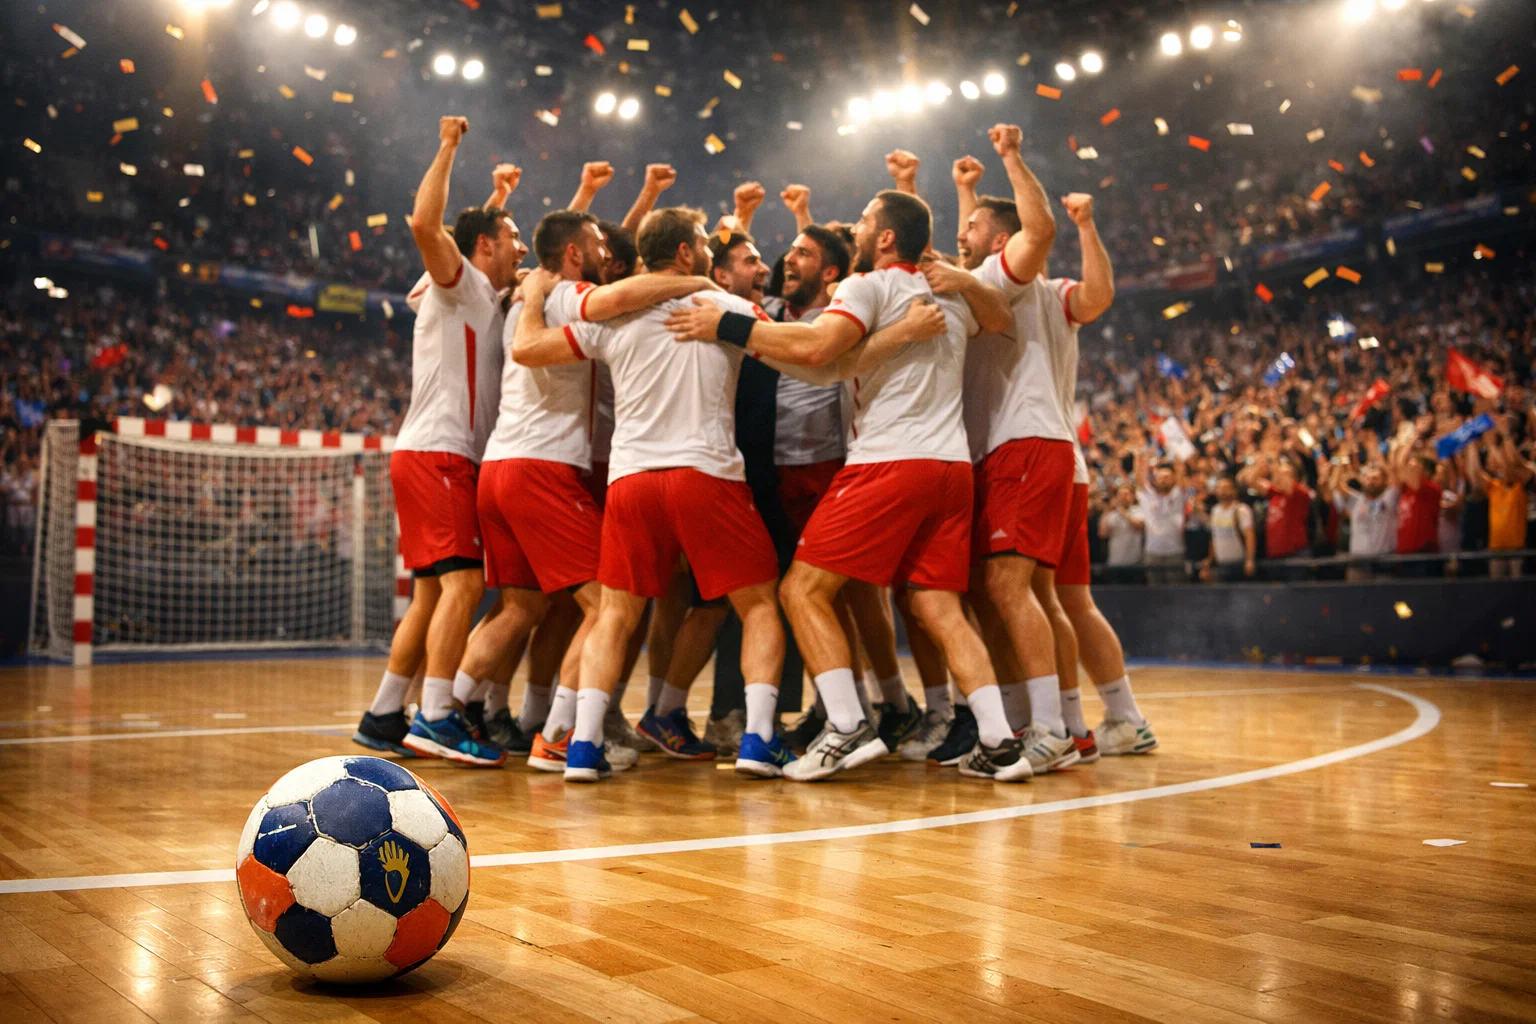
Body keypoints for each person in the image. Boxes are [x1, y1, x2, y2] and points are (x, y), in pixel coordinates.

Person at [520, 206, 933, 779]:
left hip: (632, 479)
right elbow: (816, 364)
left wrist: (533, 295)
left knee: (615, 613)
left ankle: (582, 746)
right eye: (704, 247)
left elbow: (530, 349)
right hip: (705, 474)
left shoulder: (617, 317)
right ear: (687, 253)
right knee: (760, 602)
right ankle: (759, 739)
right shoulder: (730, 310)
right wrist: (890, 341)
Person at [667, 186, 1022, 782]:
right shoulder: (947, 293)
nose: (854, 228)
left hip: (888, 459)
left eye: (863, 221)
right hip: (951, 467)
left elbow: (820, 347)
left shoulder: (867, 285)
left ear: (885, 237)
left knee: (801, 592)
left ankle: (848, 725)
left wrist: (726, 324)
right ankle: (999, 739)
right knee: (937, 605)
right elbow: (998, 319)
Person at [455, 208, 721, 775]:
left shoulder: (524, 299)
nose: (608, 254)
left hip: (501, 465)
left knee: (521, 605)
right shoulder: (566, 291)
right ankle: (558, 734)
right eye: (597, 243)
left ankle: (445, 710)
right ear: (575, 254)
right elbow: (616, 297)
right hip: (542, 467)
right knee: (607, 607)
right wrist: (697, 281)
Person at [352, 116, 523, 766]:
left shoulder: (457, 288)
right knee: (464, 584)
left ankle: (384, 712)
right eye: (513, 240)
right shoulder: (463, 283)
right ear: (482, 248)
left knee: (432, 591)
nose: (521, 252)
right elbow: (427, 225)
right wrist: (448, 144)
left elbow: (466, 243)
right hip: (444, 453)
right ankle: (438, 715)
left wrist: (498, 200)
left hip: (424, 450)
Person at [942, 124, 1086, 774]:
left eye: (971, 227)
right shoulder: (979, 276)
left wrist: (1010, 158)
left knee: (1006, 585)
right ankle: (1032, 723)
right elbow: (968, 252)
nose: (959, 236)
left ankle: (1051, 730)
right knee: (993, 591)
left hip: (1024, 441)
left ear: (998, 241)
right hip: (1001, 449)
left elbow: (1041, 231)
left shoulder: (1010, 272)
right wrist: (965, 192)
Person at [1465, 420, 1531, 577]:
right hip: (1495, 549)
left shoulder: (1520, 488)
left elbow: (1509, 466)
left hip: (1516, 550)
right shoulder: (1494, 487)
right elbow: (1475, 475)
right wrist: (1471, 444)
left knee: (1519, 590)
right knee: (1495, 590)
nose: (1500, 467)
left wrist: (1494, 445)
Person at [1318, 453, 1398, 581]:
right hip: (1358, 564)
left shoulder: (1390, 499)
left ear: (1384, 481)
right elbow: (1336, 487)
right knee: (1356, 599)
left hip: (1384, 563)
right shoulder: (1356, 501)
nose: (1370, 481)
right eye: (1367, 478)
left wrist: (1380, 458)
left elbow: (1396, 480)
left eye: (1375, 478)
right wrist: (1339, 463)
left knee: (1385, 599)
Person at [1137, 456, 1187, 585]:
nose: (1164, 480)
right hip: (1152, 552)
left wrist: (1176, 452)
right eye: (1161, 477)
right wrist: (1144, 458)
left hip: (1175, 552)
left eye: (1167, 477)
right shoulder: (1148, 497)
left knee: (1176, 591)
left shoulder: (1178, 496)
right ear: (1155, 480)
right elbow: (1139, 480)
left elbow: (1181, 472)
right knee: (1154, 592)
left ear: (1174, 479)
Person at [1203, 475, 1257, 581]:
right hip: (1221, 563)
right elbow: (1214, 537)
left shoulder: (1241, 510)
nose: (1222, 491)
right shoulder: (1215, 511)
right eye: (1219, 488)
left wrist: (1250, 559)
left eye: (1226, 488)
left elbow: (1249, 535)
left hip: (1239, 563)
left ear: (1234, 490)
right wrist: (1210, 559)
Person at [1099, 485, 1145, 582]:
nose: (1123, 497)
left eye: (1126, 494)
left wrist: (1122, 512)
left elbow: (1138, 526)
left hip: (1134, 563)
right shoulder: (1112, 514)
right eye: (1120, 495)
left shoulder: (1139, 511)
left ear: (1132, 496)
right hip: (1115, 562)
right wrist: (1107, 509)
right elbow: (1103, 533)